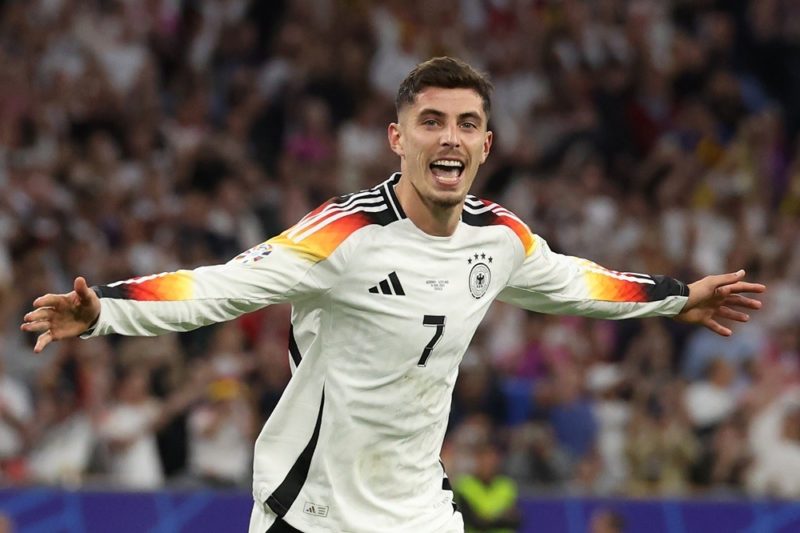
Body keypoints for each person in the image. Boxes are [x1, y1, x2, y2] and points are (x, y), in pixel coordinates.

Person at [20, 57, 765, 533]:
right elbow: (221, 287)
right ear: (397, 138)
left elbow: (579, 283)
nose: (450, 138)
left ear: (486, 146)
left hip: (417, 509)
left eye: (467, 124)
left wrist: (675, 297)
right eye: (431, 121)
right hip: (310, 510)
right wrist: (105, 310)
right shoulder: (343, 232)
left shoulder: (499, 236)